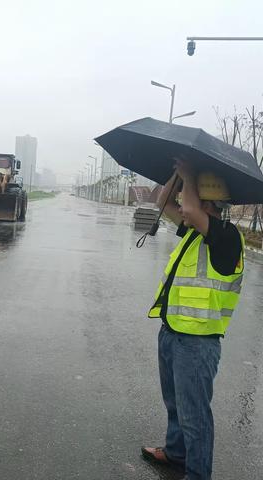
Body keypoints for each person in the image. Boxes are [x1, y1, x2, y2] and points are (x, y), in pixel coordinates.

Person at [141, 160, 244, 480]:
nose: (187, 200)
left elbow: (189, 210)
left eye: (193, 194)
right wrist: (175, 173)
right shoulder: (194, 232)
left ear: (209, 202)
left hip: (198, 342)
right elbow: (163, 202)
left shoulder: (226, 237)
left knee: (194, 416)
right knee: (175, 405)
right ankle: (176, 454)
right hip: (173, 331)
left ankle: (198, 475)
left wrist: (188, 173)